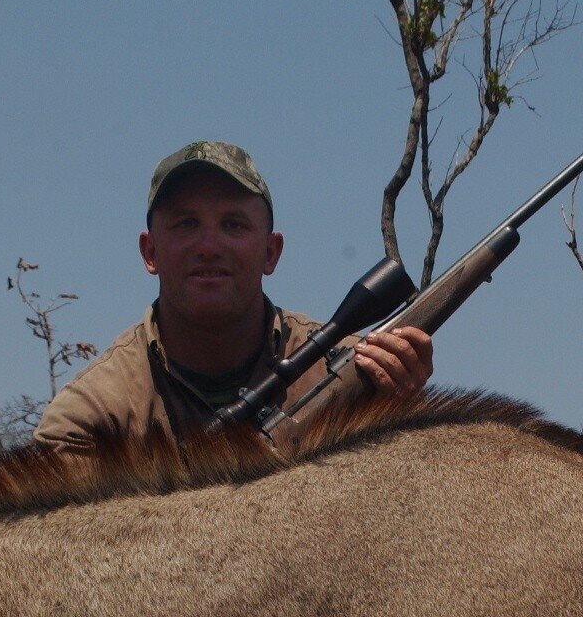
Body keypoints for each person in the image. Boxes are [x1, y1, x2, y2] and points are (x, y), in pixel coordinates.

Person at [33, 141, 433, 456]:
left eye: (233, 225)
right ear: (150, 252)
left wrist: (399, 417)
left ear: (270, 252)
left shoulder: (353, 371)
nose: (209, 246)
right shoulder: (89, 419)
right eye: (186, 223)